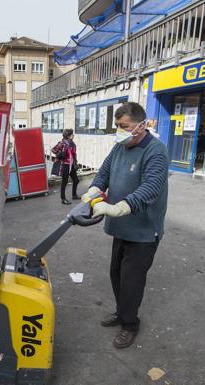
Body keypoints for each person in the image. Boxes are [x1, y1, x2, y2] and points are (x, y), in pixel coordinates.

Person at [81, 102, 168, 349]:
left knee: (132, 281)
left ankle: (130, 324)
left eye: (124, 126)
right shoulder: (120, 147)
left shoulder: (156, 151)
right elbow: (104, 173)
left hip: (143, 231)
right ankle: (122, 312)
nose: (119, 131)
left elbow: (150, 188)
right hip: (122, 227)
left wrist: (119, 207)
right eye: (117, 126)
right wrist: (94, 189)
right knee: (116, 274)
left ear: (140, 126)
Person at [52, 129, 80, 205]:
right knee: (64, 182)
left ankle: (74, 195)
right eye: (72, 134)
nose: (73, 135)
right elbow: (53, 150)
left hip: (71, 165)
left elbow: (73, 155)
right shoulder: (62, 143)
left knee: (76, 180)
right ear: (68, 136)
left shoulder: (72, 144)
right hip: (65, 165)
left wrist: (75, 163)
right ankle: (63, 199)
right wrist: (60, 154)